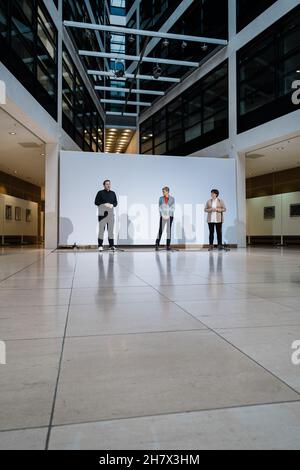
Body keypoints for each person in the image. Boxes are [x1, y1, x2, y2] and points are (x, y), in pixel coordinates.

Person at [94, 180, 118, 252]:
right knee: (101, 230)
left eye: (109, 184)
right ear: (104, 185)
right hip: (102, 215)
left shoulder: (113, 193)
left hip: (111, 215)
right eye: (107, 184)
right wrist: (104, 204)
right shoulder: (100, 193)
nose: (108, 185)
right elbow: (96, 202)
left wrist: (112, 205)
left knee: (110, 231)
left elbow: (116, 203)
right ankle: (100, 245)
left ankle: (111, 245)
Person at [155, 187, 175, 251]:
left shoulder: (172, 199)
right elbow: (160, 208)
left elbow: (173, 208)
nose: (163, 192)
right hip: (163, 216)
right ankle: (157, 244)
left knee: (168, 231)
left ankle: (168, 246)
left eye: (164, 191)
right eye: (162, 191)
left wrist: (167, 212)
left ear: (167, 191)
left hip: (170, 216)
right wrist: (162, 215)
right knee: (160, 230)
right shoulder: (161, 198)